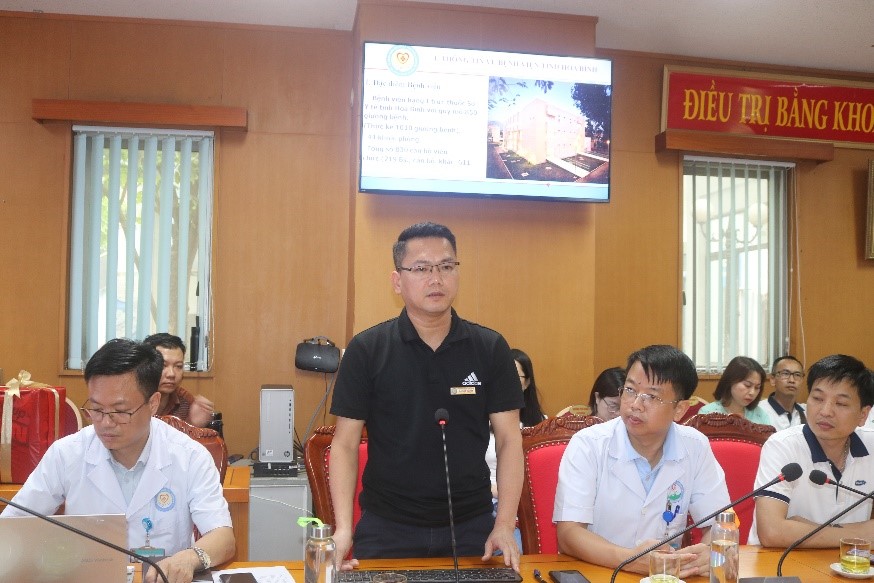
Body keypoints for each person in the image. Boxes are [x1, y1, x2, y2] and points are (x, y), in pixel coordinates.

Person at [328, 222, 524, 570]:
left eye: (446, 266)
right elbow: (344, 444)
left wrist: (505, 525)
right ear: (397, 281)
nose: (436, 279)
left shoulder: (490, 348)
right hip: (387, 527)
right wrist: (343, 529)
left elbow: (509, 440)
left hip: (472, 527)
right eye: (421, 269)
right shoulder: (367, 350)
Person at [0, 338, 235, 583]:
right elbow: (11, 528)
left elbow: (223, 537)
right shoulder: (67, 453)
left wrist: (189, 558)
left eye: (120, 411)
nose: (105, 423)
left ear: (153, 404)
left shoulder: (189, 455)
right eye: (97, 409)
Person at [554, 345, 730, 578]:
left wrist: (710, 550)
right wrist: (629, 560)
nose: (635, 404)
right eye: (630, 390)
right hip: (598, 573)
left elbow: (721, 523)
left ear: (679, 409)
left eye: (651, 396)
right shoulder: (588, 444)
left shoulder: (695, 446)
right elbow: (568, 534)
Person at [750, 354, 874, 547]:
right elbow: (772, 532)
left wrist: (805, 529)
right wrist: (861, 535)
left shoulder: (871, 445)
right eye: (817, 398)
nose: (825, 411)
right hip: (779, 560)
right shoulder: (782, 445)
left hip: (849, 562)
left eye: (841, 403)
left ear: (863, 415)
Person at [143, 333, 215, 427]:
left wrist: (192, 425)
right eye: (163, 365)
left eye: (178, 366)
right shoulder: (133, 399)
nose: (171, 374)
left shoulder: (186, 402)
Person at [698, 356, 772, 425]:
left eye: (757, 387)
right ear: (731, 381)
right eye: (747, 385)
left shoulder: (761, 416)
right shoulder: (707, 413)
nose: (752, 393)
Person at [757, 355, 807, 430]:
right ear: (773, 379)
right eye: (785, 374)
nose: (792, 380)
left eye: (797, 375)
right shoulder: (758, 411)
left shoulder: (807, 412)